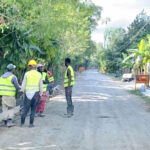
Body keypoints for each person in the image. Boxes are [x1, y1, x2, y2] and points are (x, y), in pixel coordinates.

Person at [21, 60, 43, 127]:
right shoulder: (39, 74)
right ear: (35, 66)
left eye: (29, 65)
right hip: (35, 94)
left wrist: (22, 92)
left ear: (30, 66)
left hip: (27, 93)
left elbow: (23, 84)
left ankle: (22, 123)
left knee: (25, 109)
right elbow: (41, 85)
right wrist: (41, 94)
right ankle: (31, 124)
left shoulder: (27, 74)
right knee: (33, 109)